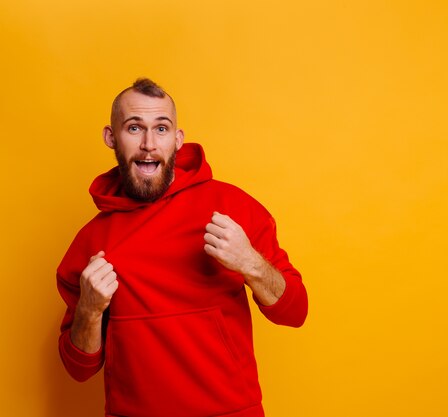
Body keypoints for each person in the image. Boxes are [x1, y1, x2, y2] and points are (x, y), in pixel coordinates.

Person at [56, 78, 308, 417]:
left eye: (161, 129)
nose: (148, 144)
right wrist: (89, 309)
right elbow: (79, 368)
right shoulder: (91, 242)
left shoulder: (232, 206)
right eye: (134, 128)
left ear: (177, 140)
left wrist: (251, 262)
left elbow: (295, 311)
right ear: (111, 137)